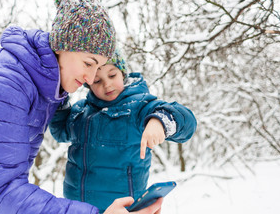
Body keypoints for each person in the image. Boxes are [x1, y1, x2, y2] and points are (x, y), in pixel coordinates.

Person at [0, 0, 163, 214]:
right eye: (88, 63)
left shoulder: (46, 86)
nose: (92, 77)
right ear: (63, 45)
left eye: (101, 67)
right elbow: (4, 192)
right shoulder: (7, 83)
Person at [49, 51, 197, 213]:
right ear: (89, 83)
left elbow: (187, 123)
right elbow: (60, 132)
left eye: (112, 75)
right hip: (77, 207)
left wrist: (161, 121)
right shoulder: (81, 111)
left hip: (123, 208)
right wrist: (60, 101)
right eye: (97, 81)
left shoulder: (139, 106)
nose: (107, 85)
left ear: (122, 73)